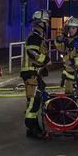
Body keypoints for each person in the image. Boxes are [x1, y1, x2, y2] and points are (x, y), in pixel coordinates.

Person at [21, 10, 50, 139]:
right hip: (30, 73)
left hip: (34, 73)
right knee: (34, 101)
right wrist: (44, 60)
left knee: (37, 100)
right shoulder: (34, 37)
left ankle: (34, 127)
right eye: (46, 22)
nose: (48, 25)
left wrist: (42, 68)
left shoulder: (39, 37)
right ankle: (32, 128)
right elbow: (32, 52)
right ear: (41, 24)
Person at [60, 17, 78, 100]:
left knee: (76, 101)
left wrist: (73, 61)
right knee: (68, 101)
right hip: (69, 77)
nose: (71, 30)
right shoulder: (70, 40)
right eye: (69, 28)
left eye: (73, 28)